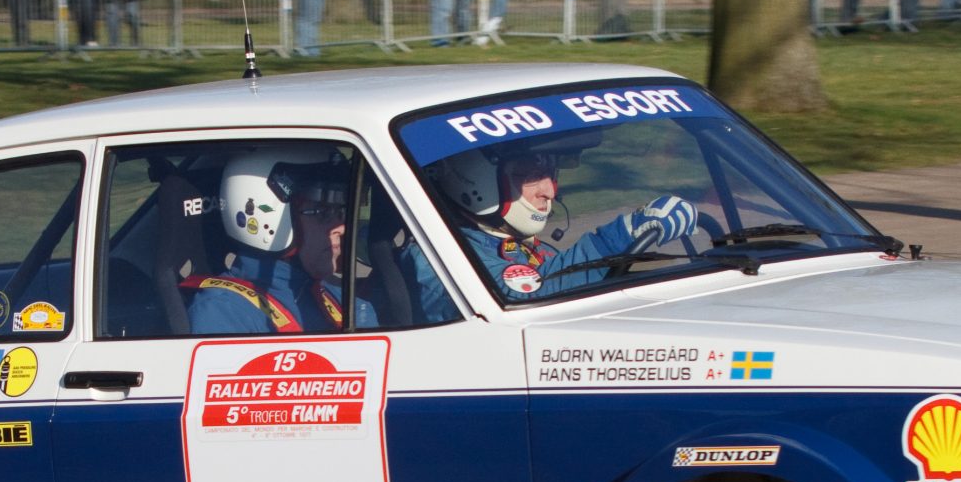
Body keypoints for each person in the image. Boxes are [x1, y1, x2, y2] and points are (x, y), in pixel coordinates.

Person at [430, 142, 697, 301]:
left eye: (549, 174)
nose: (549, 191)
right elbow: (522, 297)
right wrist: (623, 236)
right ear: (477, 180)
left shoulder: (519, 244)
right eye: (528, 176)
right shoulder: (437, 257)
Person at [184, 149, 376, 335]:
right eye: (323, 212)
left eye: (341, 212)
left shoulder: (348, 305)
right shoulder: (224, 313)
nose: (342, 227)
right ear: (269, 219)